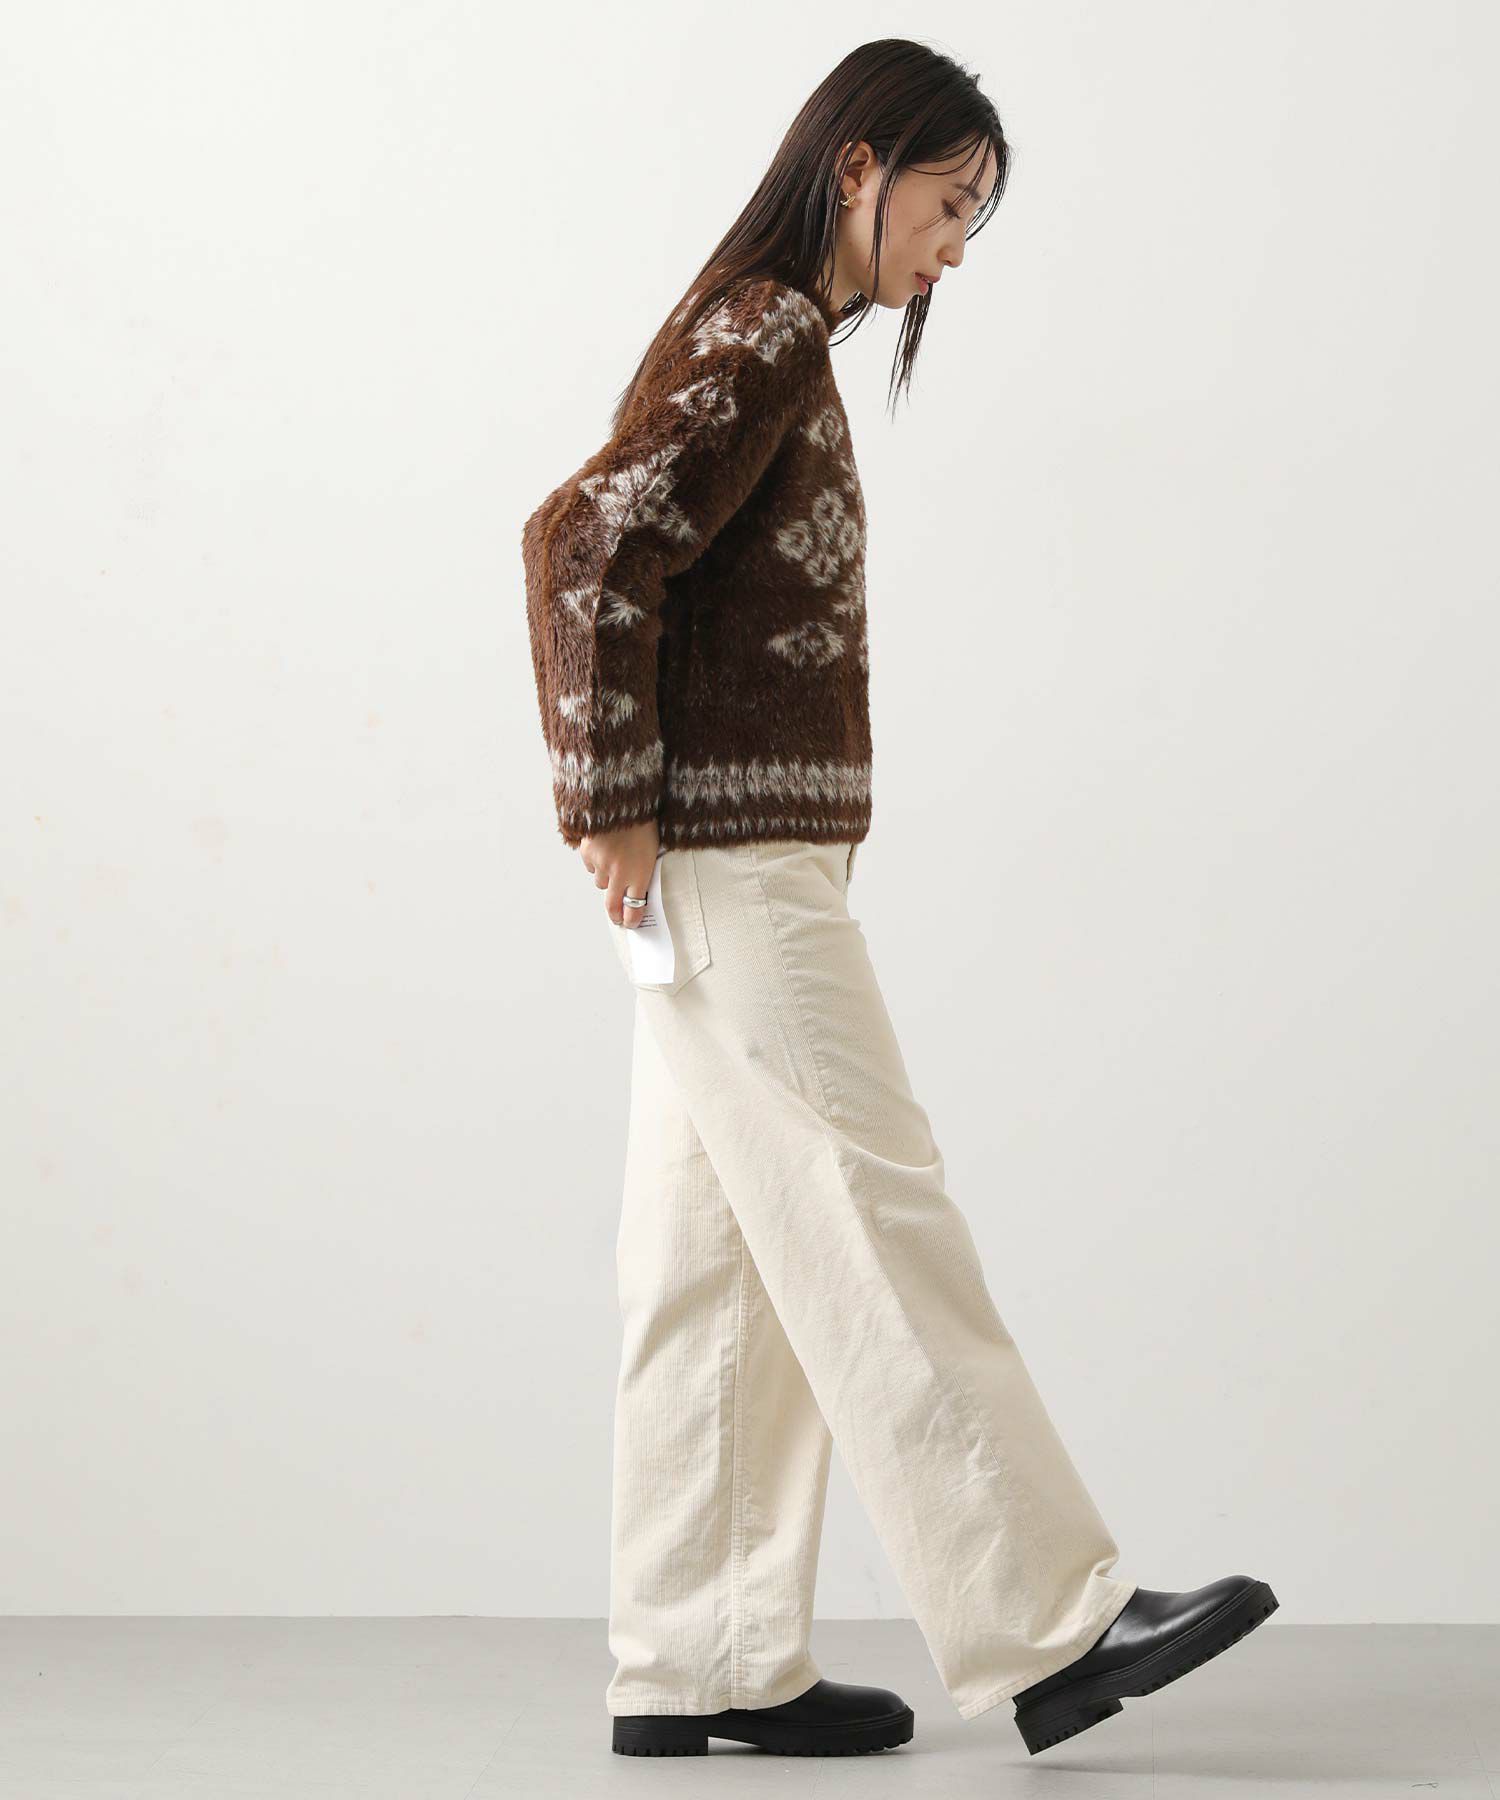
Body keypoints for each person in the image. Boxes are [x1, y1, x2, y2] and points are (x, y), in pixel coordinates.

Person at [520, 37, 1277, 1764]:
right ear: (856, 167)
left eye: (974, 224)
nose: (951, 252)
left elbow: (610, 545)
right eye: (947, 206)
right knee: (873, 1200)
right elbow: (583, 542)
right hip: (733, 869)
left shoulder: (758, 329)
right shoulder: (768, 331)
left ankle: (700, 1662)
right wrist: (607, 795)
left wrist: (629, 809)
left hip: (720, 866)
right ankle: (1051, 1617)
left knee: (710, 1268)